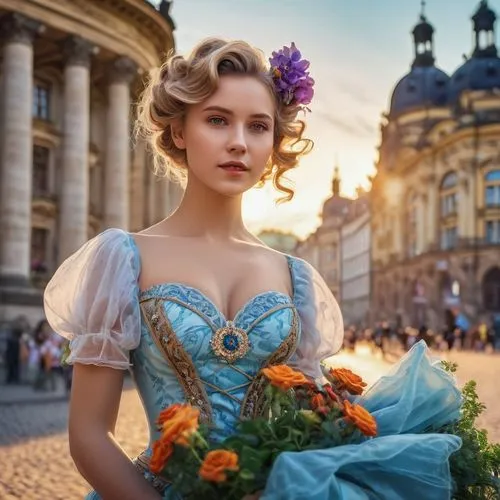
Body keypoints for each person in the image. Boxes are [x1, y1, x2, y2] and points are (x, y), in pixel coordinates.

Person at [44, 39, 461, 500]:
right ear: (180, 131)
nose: (239, 142)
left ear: (273, 143)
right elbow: (87, 437)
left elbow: (306, 418)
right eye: (218, 120)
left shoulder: (295, 275)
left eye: (258, 126)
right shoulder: (123, 258)